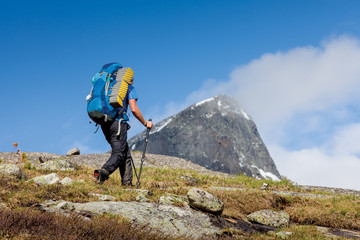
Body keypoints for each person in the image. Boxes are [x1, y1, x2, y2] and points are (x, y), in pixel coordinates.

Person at [94, 72, 153, 185]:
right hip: (118, 123)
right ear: (129, 79)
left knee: (125, 154)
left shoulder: (108, 88)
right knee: (119, 153)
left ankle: (127, 184)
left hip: (104, 123)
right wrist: (145, 123)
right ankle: (102, 173)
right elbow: (134, 109)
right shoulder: (128, 87)